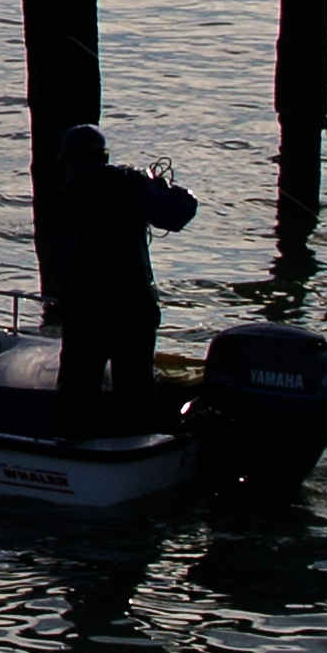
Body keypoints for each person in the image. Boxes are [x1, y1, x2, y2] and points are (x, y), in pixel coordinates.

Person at [48, 123, 197, 431]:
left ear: (70, 161)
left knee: (75, 393)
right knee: (134, 391)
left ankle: (73, 451)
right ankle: (135, 451)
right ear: (103, 156)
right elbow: (180, 212)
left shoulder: (65, 196)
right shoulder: (130, 184)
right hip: (131, 309)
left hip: (86, 312)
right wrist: (162, 186)